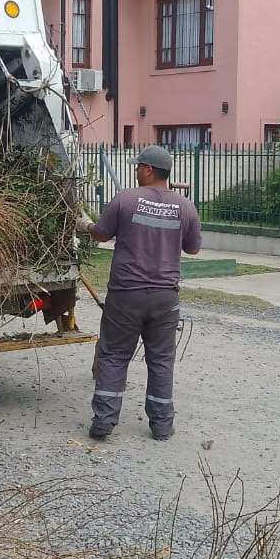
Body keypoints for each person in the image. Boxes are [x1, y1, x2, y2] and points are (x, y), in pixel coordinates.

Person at [81, 144, 201, 441]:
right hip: (165, 298)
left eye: (137, 167)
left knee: (114, 355)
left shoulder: (126, 200)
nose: (135, 171)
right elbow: (194, 248)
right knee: (161, 360)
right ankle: (161, 426)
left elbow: (101, 234)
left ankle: (104, 422)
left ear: (148, 169)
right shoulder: (185, 206)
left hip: (126, 295)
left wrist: (83, 224)